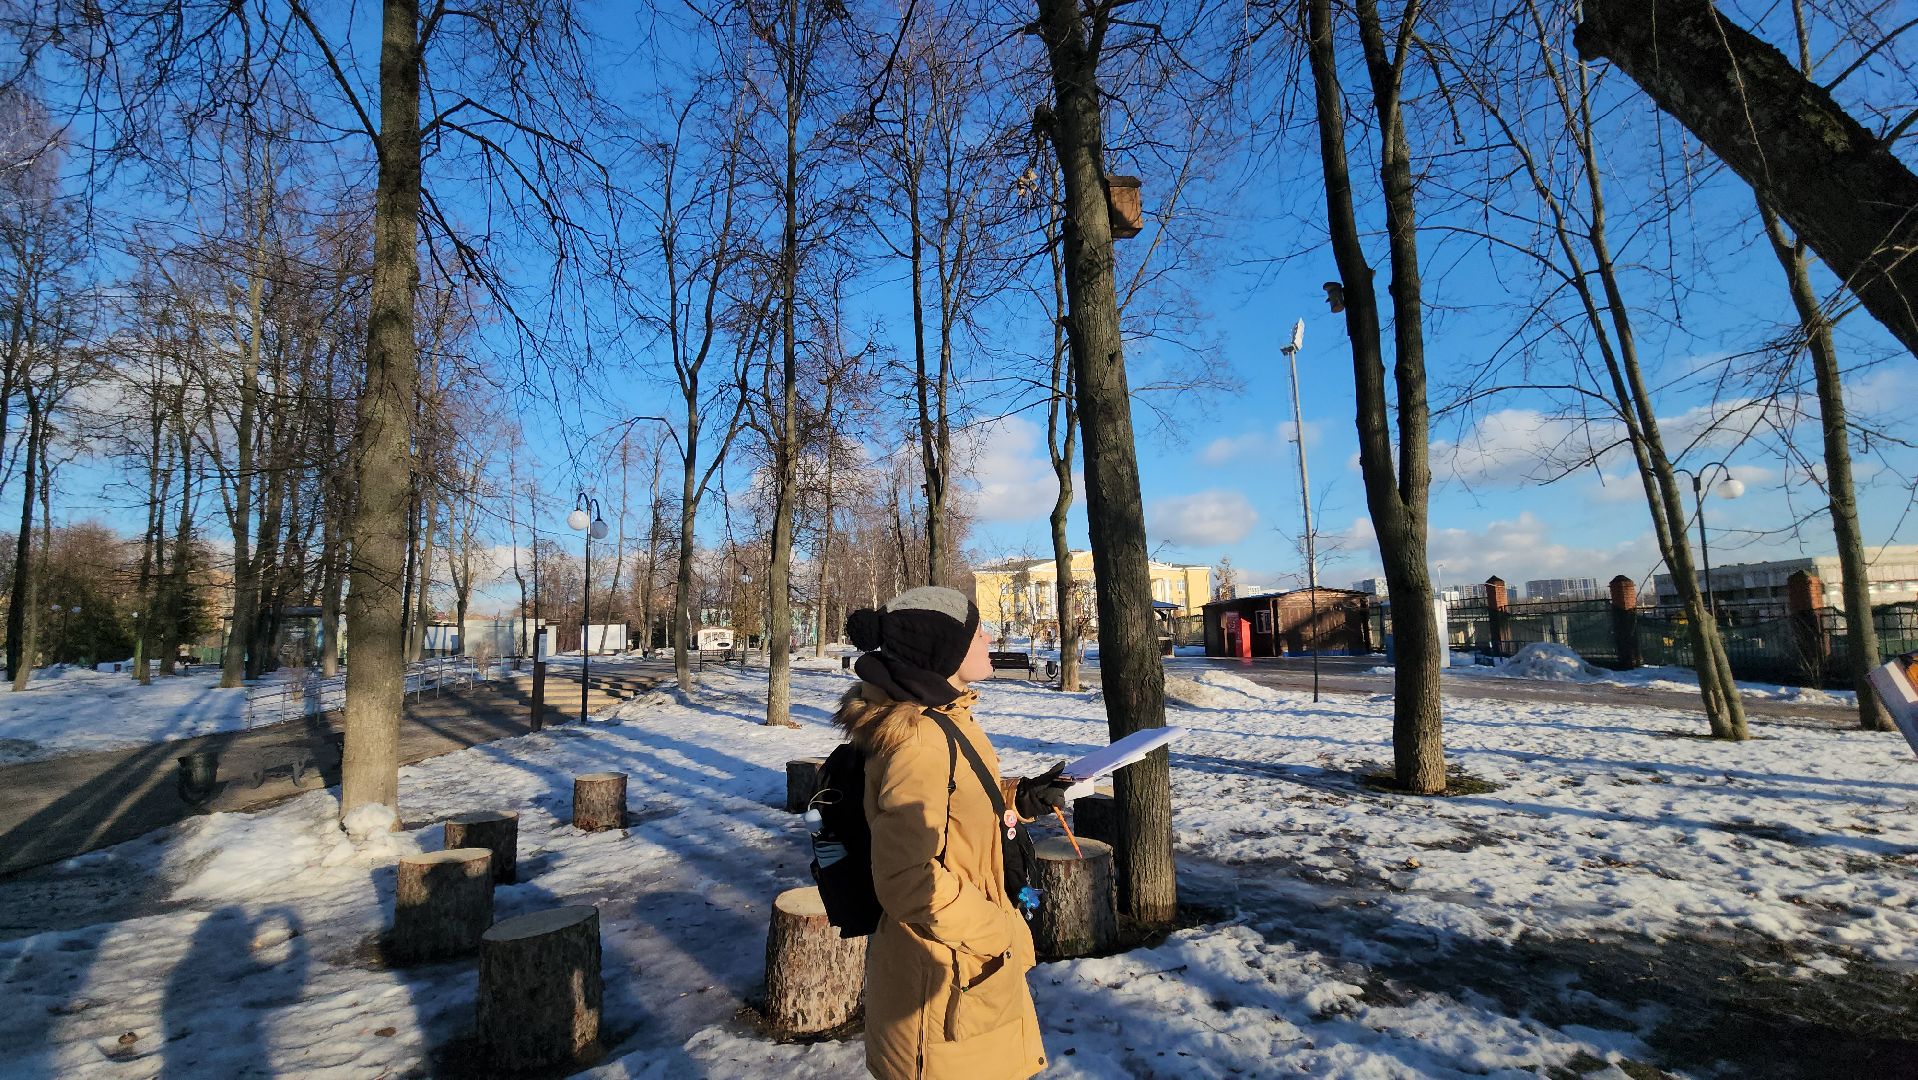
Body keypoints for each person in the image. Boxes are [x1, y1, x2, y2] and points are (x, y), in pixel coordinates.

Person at [834, 586, 1072, 1080]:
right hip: (943, 977)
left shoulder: (946, 717)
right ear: (942, 650)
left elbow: (953, 802)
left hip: (964, 964)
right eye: (975, 631)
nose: (987, 637)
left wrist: (1017, 798)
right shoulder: (919, 738)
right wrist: (996, 929)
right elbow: (906, 879)